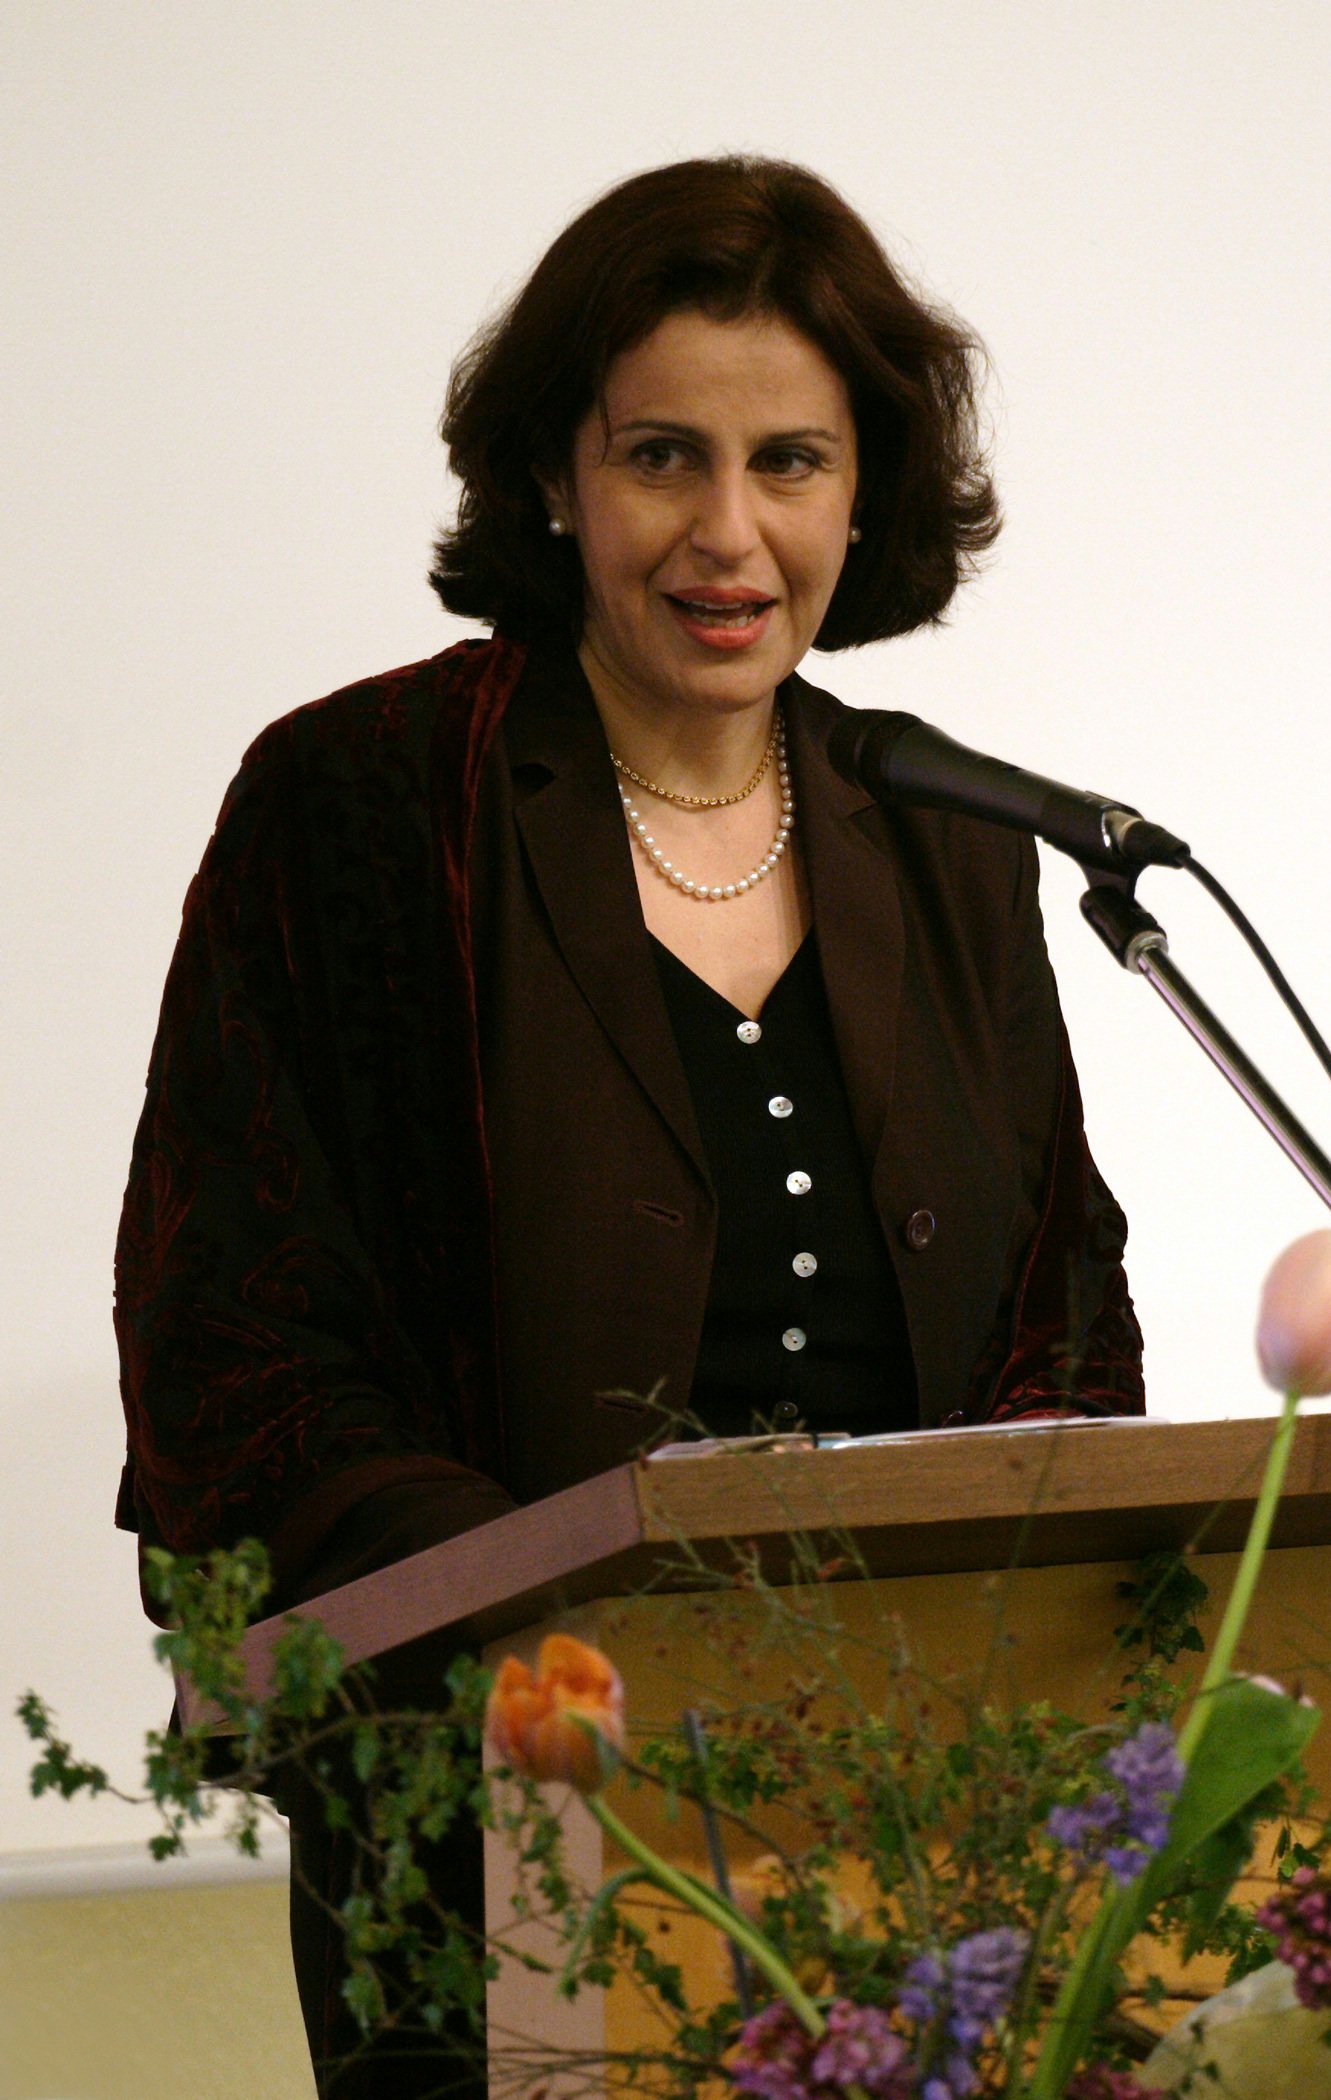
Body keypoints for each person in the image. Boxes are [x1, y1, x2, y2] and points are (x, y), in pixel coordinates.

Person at [113, 156, 1143, 2097]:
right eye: (664, 454)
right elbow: (239, 1331)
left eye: (793, 462)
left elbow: (1056, 1300)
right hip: (508, 1808)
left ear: (869, 491)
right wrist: (561, 1667)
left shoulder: (944, 833)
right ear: (555, 477)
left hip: (921, 1817)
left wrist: (1002, 1672)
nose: (728, 530)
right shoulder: (359, 801)